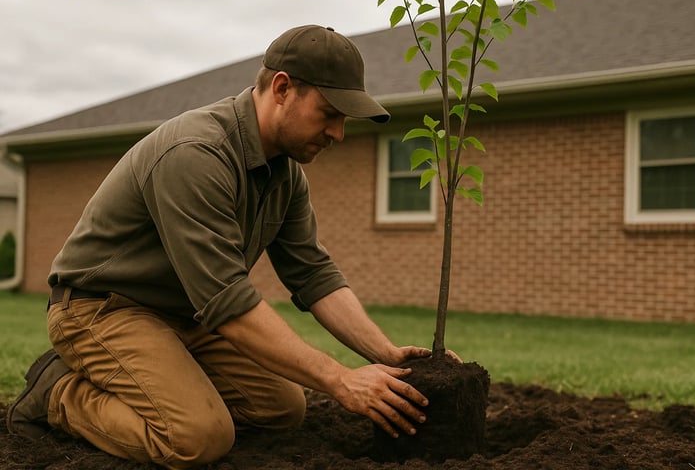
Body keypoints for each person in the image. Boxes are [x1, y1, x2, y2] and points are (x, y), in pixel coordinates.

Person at [6, 25, 435, 469]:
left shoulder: (285, 176)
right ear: (283, 88)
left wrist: (385, 354)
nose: (339, 133)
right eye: (329, 113)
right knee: (197, 438)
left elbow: (313, 274)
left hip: (183, 316)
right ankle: (58, 393)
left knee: (283, 408)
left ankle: (167, 382)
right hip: (102, 309)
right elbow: (226, 302)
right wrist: (340, 379)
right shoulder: (195, 153)